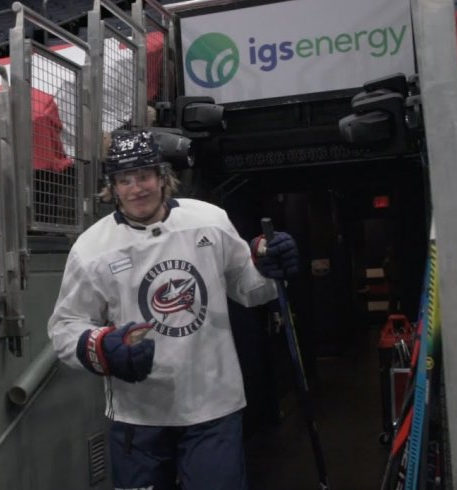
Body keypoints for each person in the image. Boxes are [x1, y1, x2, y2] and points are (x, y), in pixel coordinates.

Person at [47, 129, 298, 490]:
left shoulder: (209, 220)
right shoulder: (91, 249)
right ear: (113, 187)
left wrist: (269, 265)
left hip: (212, 404)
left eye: (145, 175)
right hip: (139, 413)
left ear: (163, 177)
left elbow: (249, 288)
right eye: (125, 179)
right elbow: (65, 325)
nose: (137, 188)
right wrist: (100, 347)